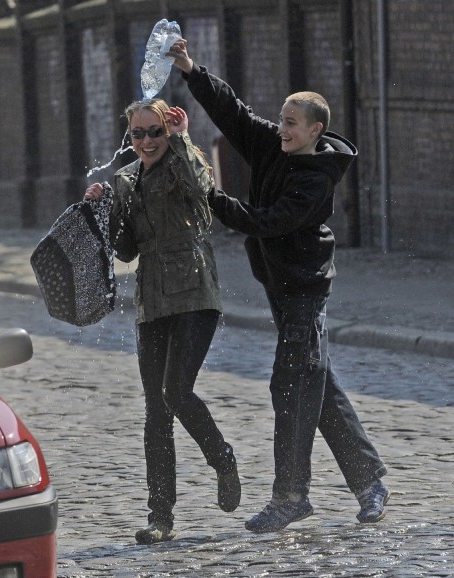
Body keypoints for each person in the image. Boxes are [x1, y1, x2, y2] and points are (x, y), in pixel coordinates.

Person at [168, 39, 389, 533]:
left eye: (292, 123)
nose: (282, 128)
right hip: (278, 283)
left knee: (290, 384)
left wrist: (211, 197)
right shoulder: (272, 143)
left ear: (315, 130)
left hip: (305, 288)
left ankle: (291, 496)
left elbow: (267, 222)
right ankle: (369, 480)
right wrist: (190, 69)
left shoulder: (315, 179)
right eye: (283, 120)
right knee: (315, 384)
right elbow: (234, 112)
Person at [83, 99, 240, 544]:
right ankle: (161, 518)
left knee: (177, 390)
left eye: (155, 132)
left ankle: (222, 459)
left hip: (193, 291)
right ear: (128, 137)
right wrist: (102, 208)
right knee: (156, 412)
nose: (147, 141)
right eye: (138, 134)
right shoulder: (126, 180)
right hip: (152, 299)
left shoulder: (182, 162)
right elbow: (127, 249)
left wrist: (184, 136)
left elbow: (200, 190)